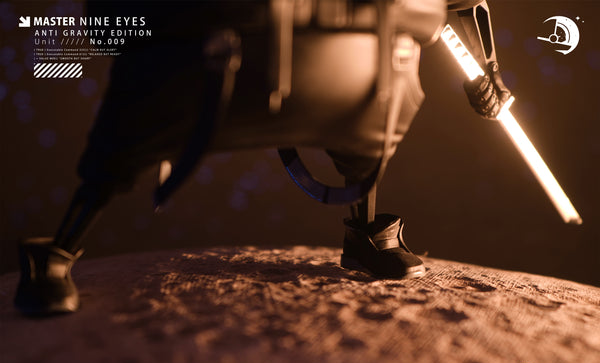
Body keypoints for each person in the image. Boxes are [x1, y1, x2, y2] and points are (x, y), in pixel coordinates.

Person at [14, 0, 510, 315]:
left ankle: (364, 234)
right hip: (197, 62)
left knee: (367, 127)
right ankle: (59, 251)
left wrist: (486, 72)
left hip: (353, 78)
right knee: (127, 131)